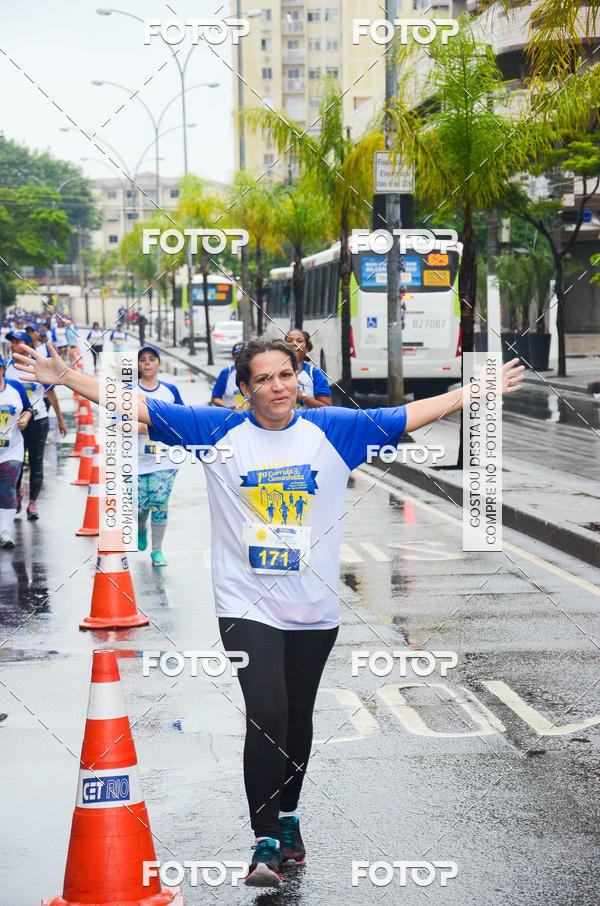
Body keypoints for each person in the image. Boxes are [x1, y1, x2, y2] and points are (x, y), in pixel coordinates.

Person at [12, 336, 525, 888]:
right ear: (244, 388)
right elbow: (137, 406)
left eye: (286, 375)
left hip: (314, 607)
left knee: (298, 720)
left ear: (299, 378)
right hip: (245, 604)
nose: (277, 387)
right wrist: (66, 376)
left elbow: (405, 414)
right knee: (267, 712)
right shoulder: (217, 430)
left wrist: (474, 392)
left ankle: (287, 818)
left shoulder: (334, 431)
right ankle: (263, 844)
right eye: (263, 379)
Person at [5, 330, 67, 520]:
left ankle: (32, 503)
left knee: (36, 462)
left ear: (26, 344)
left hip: (38, 419)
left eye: (17, 342)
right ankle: (17, 494)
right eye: (12, 342)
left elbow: (51, 394)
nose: (13, 345)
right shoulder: (8, 367)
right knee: (16, 462)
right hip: (16, 423)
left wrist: (60, 419)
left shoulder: (39, 366)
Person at [137, 345, 185, 567]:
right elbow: (114, 422)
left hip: (163, 460)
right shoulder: (127, 390)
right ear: (138, 364)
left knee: (159, 503)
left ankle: (157, 550)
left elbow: (181, 419)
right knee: (139, 506)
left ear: (158, 363)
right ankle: (140, 526)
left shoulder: (170, 390)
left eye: (151, 359)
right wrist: (139, 428)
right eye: (143, 359)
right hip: (134, 460)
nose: (147, 363)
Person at [0, 354, 33, 548]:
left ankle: (4, 532)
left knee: (7, 487)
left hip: (12, 450)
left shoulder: (15, 387)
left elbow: (28, 408)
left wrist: (25, 419)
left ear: (3, 370)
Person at [284, 330, 331, 409]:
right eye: (289, 341)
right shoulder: (274, 371)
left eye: (299, 341)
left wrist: (303, 397)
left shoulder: (315, 373)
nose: (294, 344)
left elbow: (327, 408)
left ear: (307, 348)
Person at [211, 342, 248, 409]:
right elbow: (215, 398)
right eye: (237, 355)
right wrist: (228, 407)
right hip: (230, 415)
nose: (240, 358)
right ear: (233, 357)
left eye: (243, 355)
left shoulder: (255, 373)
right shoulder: (226, 373)